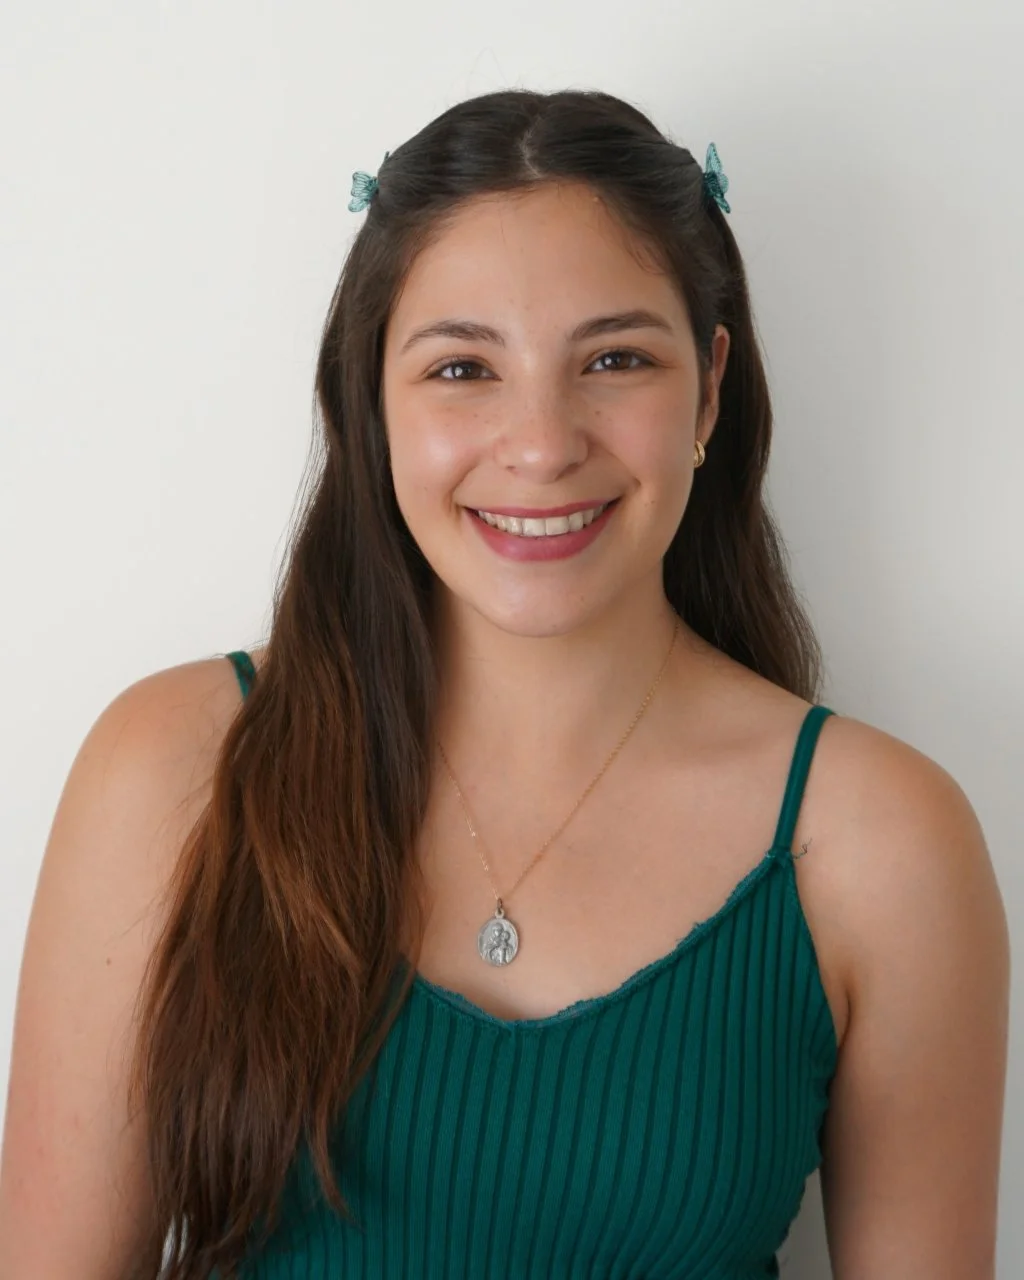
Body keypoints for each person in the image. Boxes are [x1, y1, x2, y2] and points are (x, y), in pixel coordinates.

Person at [0, 88, 1009, 1280]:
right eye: (463, 366)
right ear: (370, 397)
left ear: (709, 387)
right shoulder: (171, 769)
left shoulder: (884, 843)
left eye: (615, 358)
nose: (540, 443)